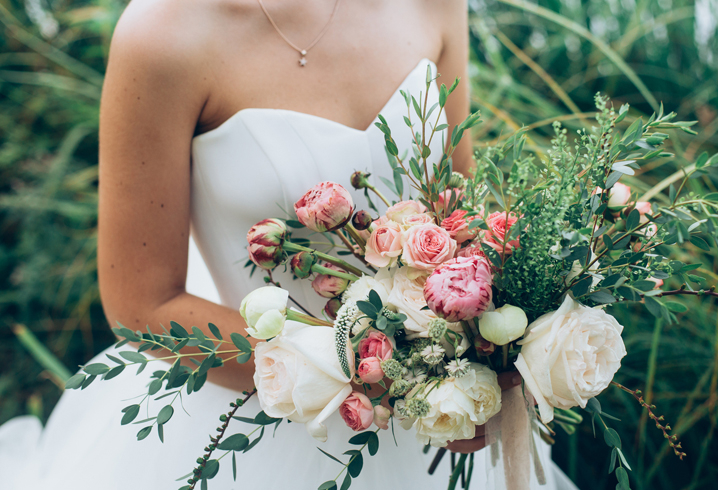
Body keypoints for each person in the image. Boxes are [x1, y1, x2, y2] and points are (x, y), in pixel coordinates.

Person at [0, 0, 577, 488]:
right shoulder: (162, 35)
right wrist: (380, 377)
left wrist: (487, 350)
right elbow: (141, 306)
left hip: (442, 418)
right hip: (259, 414)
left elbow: (458, 206)